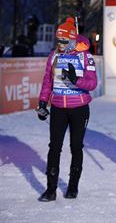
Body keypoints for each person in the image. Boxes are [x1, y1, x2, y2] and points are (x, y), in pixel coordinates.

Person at [36, 17, 97, 201]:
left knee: (76, 147)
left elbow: (93, 83)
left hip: (79, 108)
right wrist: (42, 103)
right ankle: (51, 189)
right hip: (58, 108)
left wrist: (76, 80)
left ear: (72, 40)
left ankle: (73, 187)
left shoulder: (85, 56)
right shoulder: (54, 56)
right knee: (54, 147)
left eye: (64, 41)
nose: (60, 44)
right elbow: (47, 81)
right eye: (58, 40)